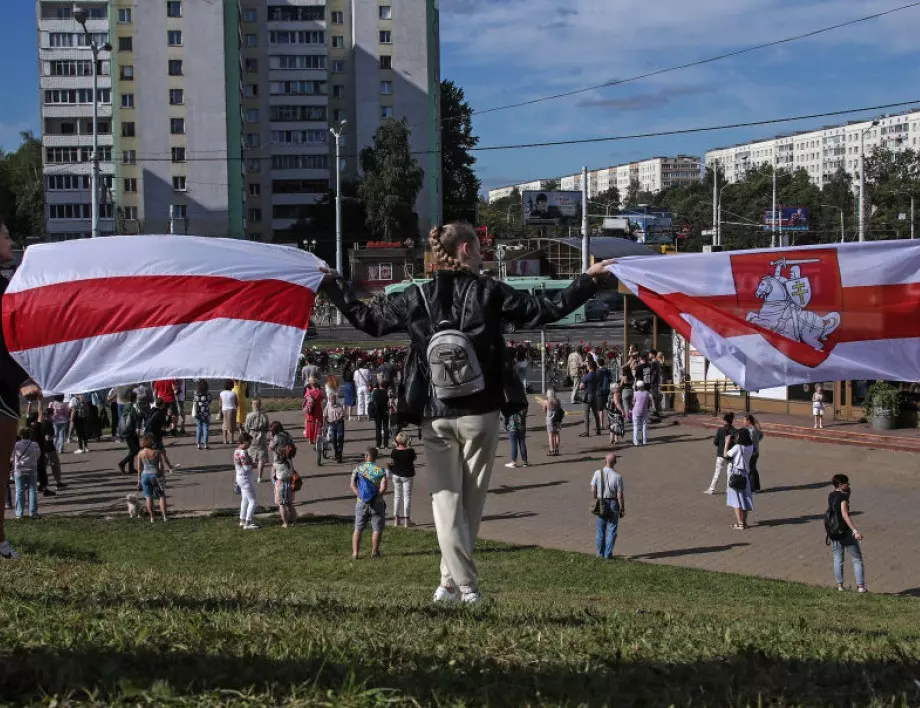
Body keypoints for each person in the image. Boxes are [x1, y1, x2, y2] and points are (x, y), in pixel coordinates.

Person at [324, 221, 609, 603]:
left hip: (434, 411)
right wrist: (587, 280)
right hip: (482, 409)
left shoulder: (417, 296)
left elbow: (368, 320)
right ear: (463, 250)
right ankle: (465, 586)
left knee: (445, 500)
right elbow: (545, 309)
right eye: (478, 247)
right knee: (471, 504)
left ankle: (449, 584)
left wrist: (333, 284)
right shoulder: (489, 292)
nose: (483, 254)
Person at [827, 474, 867, 592]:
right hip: (844, 532)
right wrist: (855, 531)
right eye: (847, 483)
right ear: (840, 484)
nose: (848, 485)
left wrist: (847, 494)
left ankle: (839, 586)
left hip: (833, 532)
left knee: (838, 558)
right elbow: (844, 514)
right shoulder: (842, 498)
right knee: (857, 558)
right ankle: (861, 586)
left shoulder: (831, 495)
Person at [350, 447, 388, 559]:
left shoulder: (358, 469)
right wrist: (375, 496)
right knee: (377, 528)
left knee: (358, 528)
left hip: (361, 502)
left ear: (366, 456)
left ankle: (355, 553)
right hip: (377, 502)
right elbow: (383, 488)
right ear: (375, 457)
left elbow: (352, 486)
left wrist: (361, 495)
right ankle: (374, 552)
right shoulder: (380, 471)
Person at [591, 453, 625, 559]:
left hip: (601, 502)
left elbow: (593, 489)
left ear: (604, 461)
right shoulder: (618, 476)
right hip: (613, 503)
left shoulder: (597, 473)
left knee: (600, 530)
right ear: (615, 463)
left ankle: (599, 553)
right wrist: (622, 508)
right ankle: (608, 554)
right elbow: (619, 495)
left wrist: (595, 498)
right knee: (612, 530)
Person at [269, 421, 297, 528]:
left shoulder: (276, 437)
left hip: (280, 469)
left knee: (281, 503)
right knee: (290, 503)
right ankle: (294, 521)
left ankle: (285, 522)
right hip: (289, 462)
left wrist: (271, 439)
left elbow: (271, 447)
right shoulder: (288, 434)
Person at [725, 427, 755, 529]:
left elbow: (726, 454)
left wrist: (727, 443)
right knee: (745, 498)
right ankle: (744, 522)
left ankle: (740, 523)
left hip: (736, 473)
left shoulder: (737, 447)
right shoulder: (751, 447)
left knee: (736, 499)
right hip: (745, 474)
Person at [135, 435, 168, 523]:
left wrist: (139, 481)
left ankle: (152, 518)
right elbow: (161, 466)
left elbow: (139, 468)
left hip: (145, 476)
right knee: (161, 496)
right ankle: (164, 516)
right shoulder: (157, 452)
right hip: (156, 475)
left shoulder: (140, 453)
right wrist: (163, 476)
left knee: (148, 497)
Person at [389, 432, 416, 527]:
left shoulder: (394, 451)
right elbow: (414, 459)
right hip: (407, 475)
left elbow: (392, 463)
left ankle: (396, 519)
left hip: (396, 475)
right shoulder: (410, 451)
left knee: (397, 496)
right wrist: (409, 446)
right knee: (407, 497)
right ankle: (407, 520)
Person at [13, 428, 41, 519]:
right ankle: (33, 512)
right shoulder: (34, 444)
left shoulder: (16, 444)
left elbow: (12, 456)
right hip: (32, 469)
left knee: (19, 491)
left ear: (21, 435)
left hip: (19, 469)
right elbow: (38, 455)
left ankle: (19, 513)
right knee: (32, 490)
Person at [144, 399, 179, 474]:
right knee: (158, 454)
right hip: (155, 436)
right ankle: (157, 471)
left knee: (162, 452)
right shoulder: (160, 414)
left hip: (147, 434)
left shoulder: (152, 410)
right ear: (162, 405)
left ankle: (170, 467)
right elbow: (165, 426)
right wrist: (169, 417)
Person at [705, 412, 736, 495]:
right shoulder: (735, 431)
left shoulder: (720, 430)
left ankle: (711, 489)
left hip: (721, 454)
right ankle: (729, 490)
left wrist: (721, 446)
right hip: (730, 455)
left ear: (725, 421)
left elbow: (715, 442)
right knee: (730, 473)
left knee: (717, 472)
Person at [234, 433, 259, 530]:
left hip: (239, 477)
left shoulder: (236, 451)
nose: (250, 444)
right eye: (249, 442)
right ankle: (248, 522)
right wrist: (255, 464)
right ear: (245, 442)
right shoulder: (243, 452)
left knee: (244, 500)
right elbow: (246, 467)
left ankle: (242, 520)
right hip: (246, 478)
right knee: (253, 501)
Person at [244, 399, 270, 482]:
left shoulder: (249, 415)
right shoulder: (264, 415)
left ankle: (249, 475)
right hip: (262, 436)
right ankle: (260, 477)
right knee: (261, 458)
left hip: (252, 435)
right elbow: (267, 427)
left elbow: (246, 427)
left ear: (253, 405)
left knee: (250, 456)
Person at [117, 392, 141, 475]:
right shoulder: (132, 407)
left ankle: (131, 468)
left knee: (133, 449)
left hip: (126, 430)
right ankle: (122, 463)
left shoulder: (126, 406)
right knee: (135, 450)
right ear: (134, 398)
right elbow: (135, 418)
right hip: (130, 431)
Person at [324, 392, 346, 463]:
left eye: (333, 398)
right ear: (329, 399)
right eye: (331, 398)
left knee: (340, 437)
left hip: (339, 423)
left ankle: (339, 455)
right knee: (333, 439)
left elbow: (342, 415)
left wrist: (338, 419)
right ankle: (336, 451)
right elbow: (324, 415)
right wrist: (324, 425)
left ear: (335, 399)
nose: (332, 400)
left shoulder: (340, 406)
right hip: (331, 424)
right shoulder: (328, 406)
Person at [302, 378, 325, 445]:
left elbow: (305, 399)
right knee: (317, 424)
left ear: (310, 384)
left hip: (310, 410)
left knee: (310, 424)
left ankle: (310, 439)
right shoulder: (320, 391)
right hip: (318, 409)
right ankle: (317, 438)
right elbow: (322, 400)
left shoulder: (308, 391)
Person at [192, 380, 213, 450]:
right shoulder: (208, 394)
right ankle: (206, 445)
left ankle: (198, 445)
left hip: (198, 413)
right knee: (206, 429)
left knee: (198, 428)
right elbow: (210, 401)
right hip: (206, 413)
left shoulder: (196, 393)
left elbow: (195, 401)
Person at [542, 388, 563, 456]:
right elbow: (560, 409)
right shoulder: (558, 401)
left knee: (550, 435)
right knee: (557, 434)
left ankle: (551, 450)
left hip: (550, 420)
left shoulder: (546, 401)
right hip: (557, 419)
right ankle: (557, 450)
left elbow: (544, 410)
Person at [745, 414, 763, 493]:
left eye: (744, 420)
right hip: (756, 452)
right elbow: (761, 435)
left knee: (750, 470)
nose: (743, 422)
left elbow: (749, 442)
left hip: (751, 453)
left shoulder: (750, 431)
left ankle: (752, 488)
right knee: (753, 469)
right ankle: (756, 486)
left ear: (748, 421)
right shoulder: (755, 429)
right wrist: (757, 441)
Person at [370, 380, 390, 449]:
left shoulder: (375, 392)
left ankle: (378, 445)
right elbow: (387, 402)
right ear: (386, 386)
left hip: (377, 412)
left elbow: (372, 400)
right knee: (385, 428)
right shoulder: (386, 393)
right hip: (384, 411)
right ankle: (386, 444)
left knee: (378, 428)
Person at [631, 380, 651, 446]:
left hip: (636, 411)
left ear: (637, 386)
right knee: (644, 427)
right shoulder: (647, 393)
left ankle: (636, 442)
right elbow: (650, 400)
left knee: (636, 426)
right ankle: (644, 441)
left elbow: (633, 402)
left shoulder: (635, 393)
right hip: (644, 411)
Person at [594, 357, 612, 428]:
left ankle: (601, 425)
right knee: (608, 408)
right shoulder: (607, 371)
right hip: (607, 390)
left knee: (600, 409)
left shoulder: (597, 371)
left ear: (598, 364)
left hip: (599, 391)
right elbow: (610, 379)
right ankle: (610, 423)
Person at [219, 381, 238, 445]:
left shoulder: (221, 393)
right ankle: (231, 440)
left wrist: (220, 410)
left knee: (225, 424)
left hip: (224, 409)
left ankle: (224, 440)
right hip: (232, 409)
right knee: (231, 425)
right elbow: (236, 403)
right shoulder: (233, 393)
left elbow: (220, 403)